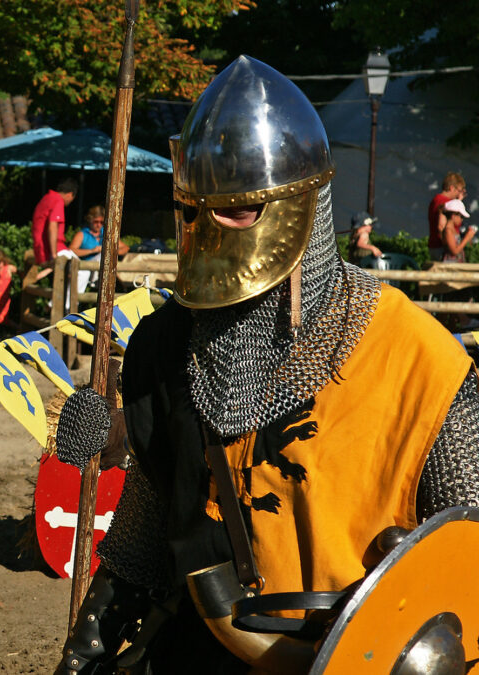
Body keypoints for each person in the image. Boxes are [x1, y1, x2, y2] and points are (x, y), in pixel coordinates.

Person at [54, 56, 479, 673]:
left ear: (302, 206)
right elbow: (148, 526)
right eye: (194, 210)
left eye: (237, 209)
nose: (209, 233)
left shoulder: (417, 362)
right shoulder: (168, 345)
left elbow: (466, 564)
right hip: (203, 650)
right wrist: (89, 642)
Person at [69, 205, 129, 293]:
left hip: (104, 268)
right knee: (101, 256)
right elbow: (71, 250)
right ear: (90, 220)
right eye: (96, 222)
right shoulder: (82, 234)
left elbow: (125, 248)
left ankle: (115, 281)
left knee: (104, 256)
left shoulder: (106, 233)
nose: (99, 225)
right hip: (87, 268)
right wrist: (92, 251)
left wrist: (111, 252)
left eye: (101, 222)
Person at [31, 177, 78, 265]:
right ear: (70, 194)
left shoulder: (47, 198)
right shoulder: (58, 201)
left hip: (40, 249)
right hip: (53, 249)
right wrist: (53, 254)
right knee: (83, 268)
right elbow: (52, 227)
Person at [428, 172, 467, 260]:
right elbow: (441, 226)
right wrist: (449, 245)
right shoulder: (446, 203)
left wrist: (458, 201)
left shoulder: (436, 199)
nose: (459, 194)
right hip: (443, 248)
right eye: (459, 191)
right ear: (451, 188)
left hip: (434, 245)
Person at [438, 198, 475, 263]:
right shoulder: (448, 230)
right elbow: (454, 251)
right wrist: (467, 237)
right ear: (453, 216)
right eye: (461, 217)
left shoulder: (452, 230)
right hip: (450, 264)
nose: (462, 220)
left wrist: (467, 237)